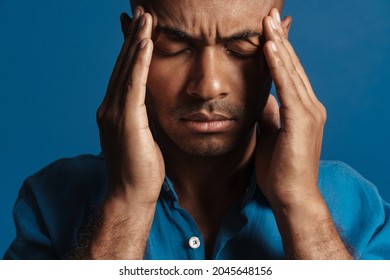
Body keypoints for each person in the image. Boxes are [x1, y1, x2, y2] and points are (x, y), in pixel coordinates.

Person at [4, 0, 390, 260]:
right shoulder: (50, 200)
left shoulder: (357, 204)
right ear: (131, 41)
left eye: (243, 48)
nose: (208, 86)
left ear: (280, 44)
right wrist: (128, 203)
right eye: (174, 45)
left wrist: (300, 206)